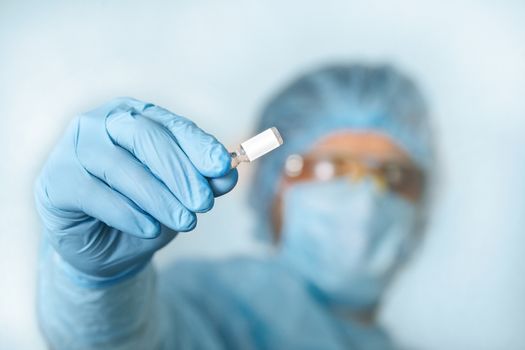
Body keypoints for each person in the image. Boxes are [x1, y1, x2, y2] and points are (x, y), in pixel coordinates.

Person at [35, 63, 434, 349]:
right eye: (330, 169)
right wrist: (100, 280)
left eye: (395, 176)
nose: (364, 200)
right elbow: (118, 342)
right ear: (272, 190)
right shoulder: (221, 305)